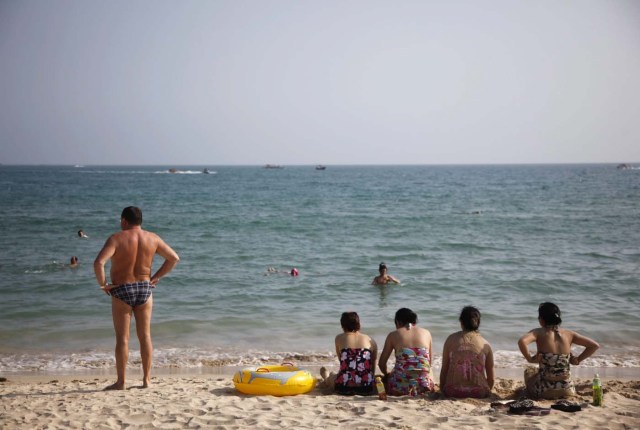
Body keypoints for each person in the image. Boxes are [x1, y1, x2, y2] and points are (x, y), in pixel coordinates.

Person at [94, 206, 180, 390]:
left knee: (122, 339)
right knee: (145, 336)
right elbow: (174, 258)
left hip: (122, 289)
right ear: (140, 221)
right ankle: (147, 380)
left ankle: (121, 382)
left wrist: (103, 285)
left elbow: (99, 262)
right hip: (144, 288)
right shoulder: (152, 238)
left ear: (124, 220)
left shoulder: (116, 238)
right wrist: (155, 277)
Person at [518, 302, 600, 399]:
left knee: (529, 372)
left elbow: (522, 341)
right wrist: (578, 360)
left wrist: (530, 359)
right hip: (567, 389)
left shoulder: (538, 332)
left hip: (545, 390)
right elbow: (594, 345)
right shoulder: (570, 334)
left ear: (541, 319)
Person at [440, 306, 494, 398]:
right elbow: (491, 379)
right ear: (478, 323)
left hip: (453, 391)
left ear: (461, 322)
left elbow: (444, 370)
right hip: (479, 392)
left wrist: (442, 390)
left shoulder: (450, 339)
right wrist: (486, 391)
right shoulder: (486, 344)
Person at [378, 308, 435, 396]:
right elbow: (429, 363)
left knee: (382, 379)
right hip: (423, 386)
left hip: (399, 388)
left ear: (398, 322)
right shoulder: (426, 333)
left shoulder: (393, 335)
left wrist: (386, 374)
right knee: (429, 370)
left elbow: (381, 363)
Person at [318, 312, 377, 395]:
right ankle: (330, 376)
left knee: (332, 377)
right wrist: (371, 377)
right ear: (358, 323)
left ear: (342, 325)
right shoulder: (370, 339)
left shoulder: (339, 338)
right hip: (366, 387)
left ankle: (326, 376)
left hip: (344, 387)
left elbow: (341, 361)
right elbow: (373, 361)